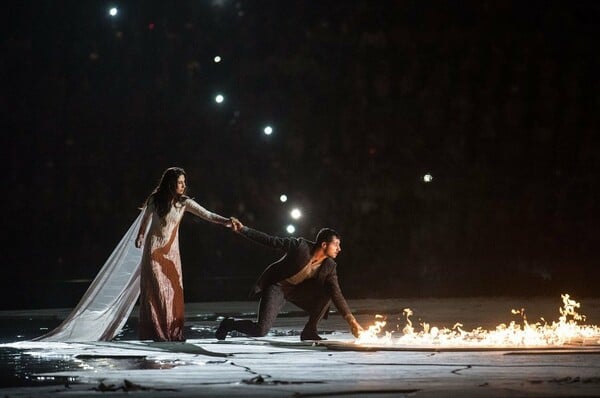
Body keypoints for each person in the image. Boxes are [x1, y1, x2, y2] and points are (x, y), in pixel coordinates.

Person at [216, 218, 364, 341]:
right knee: (260, 331)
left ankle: (309, 331)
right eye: (336, 244)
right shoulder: (300, 246)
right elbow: (271, 241)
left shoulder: (330, 266)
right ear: (324, 244)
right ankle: (229, 324)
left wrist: (352, 322)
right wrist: (243, 229)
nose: (339, 249)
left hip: (297, 291)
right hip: (277, 287)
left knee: (328, 292)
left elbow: (336, 293)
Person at [135, 167, 232, 341]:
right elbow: (145, 221)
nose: (183, 185)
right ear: (171, 183)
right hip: (153, 250)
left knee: (172, 291)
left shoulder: (184, 202)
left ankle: (172, 331)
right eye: (180, 182)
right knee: (157, 292)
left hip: (171, 253)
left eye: (184, 182)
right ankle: (158, 332)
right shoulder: (155, 200)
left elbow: (207, 214)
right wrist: (141, 236)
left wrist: (226, 221)